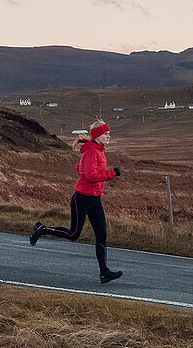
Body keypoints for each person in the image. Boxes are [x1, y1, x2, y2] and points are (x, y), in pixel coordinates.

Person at [29, 119, 123, 284]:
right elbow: (91, 176)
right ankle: (42, 229)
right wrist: (112, 173)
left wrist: (83, 169)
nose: (109, 136)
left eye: (109, 133)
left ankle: (104, 272)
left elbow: (79, 168)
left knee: (102, 235)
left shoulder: (97, 151)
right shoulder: (92, 152)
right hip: (82, 199)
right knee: (73, 234)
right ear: (98, 135)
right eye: (106, 134)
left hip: (95, 199)